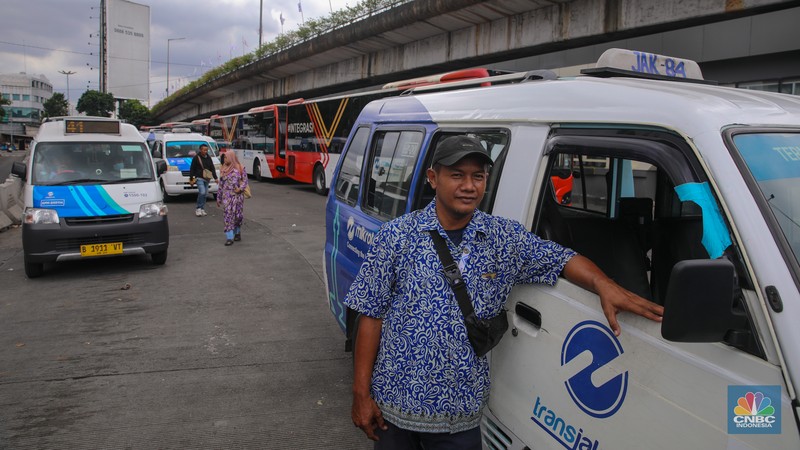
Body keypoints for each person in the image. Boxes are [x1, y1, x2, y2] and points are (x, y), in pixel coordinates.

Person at [346, 135, 665, 449]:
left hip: (461, 412)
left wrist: (603, 284)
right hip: (395, 408)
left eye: (478, 177)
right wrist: (361, 395)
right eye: (457, 175)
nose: (469, 186)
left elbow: (563, 258)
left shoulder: (503, 238)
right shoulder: (397, 235)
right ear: (433, 178)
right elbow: (370, 314)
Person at [216, 150, 248, 246]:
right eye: (224, 157)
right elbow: (221, 184)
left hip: (238, 197)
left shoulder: (240, 168)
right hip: (227, 197)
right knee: (228, 216)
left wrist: (240, 189)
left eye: (226, 157)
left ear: (231, 157)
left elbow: (245, 181)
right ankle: (229, 237)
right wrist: (219, 197)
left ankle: (237, 232)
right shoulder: (223, 169)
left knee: (238, 216)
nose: (224, 159)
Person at [189, 143, 218, 217]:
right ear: (200, 150)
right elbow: (192, 169)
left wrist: (216, 178)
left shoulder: (209, 158)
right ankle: (198, 208)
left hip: (207, 178)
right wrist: (191, 179)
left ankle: (202, 208)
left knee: (205, 194)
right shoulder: (196, 158)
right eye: (204, 150)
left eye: (207, 150)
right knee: (202, 192)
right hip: (199, 178)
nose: (206, 151)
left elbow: (212, 168)